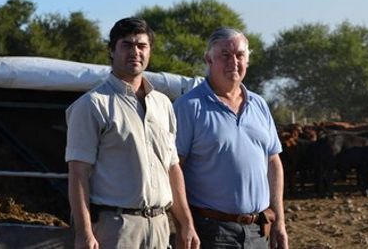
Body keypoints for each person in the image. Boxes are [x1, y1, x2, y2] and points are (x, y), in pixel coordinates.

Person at [65, 17, 199, 249]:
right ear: (112, 51)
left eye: (142, 46)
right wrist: (83, 233)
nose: (135, 52)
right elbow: (78, 174)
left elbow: (172, 167)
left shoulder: (163, 104)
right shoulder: (92, 105)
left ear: (150, 51)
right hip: (117, 229)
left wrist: (186, 224)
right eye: (127, 45)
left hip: (159, 226)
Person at [173, 27, 288, 249]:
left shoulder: (259, 105)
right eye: (224, 55)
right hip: (212, 231)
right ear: (209, 59)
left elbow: (273, 162)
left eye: (239, 55)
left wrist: (280, 221)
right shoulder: (188, 106)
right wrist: (185, 225)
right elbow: (174, 168)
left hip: (258, 230)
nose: (233, 62)